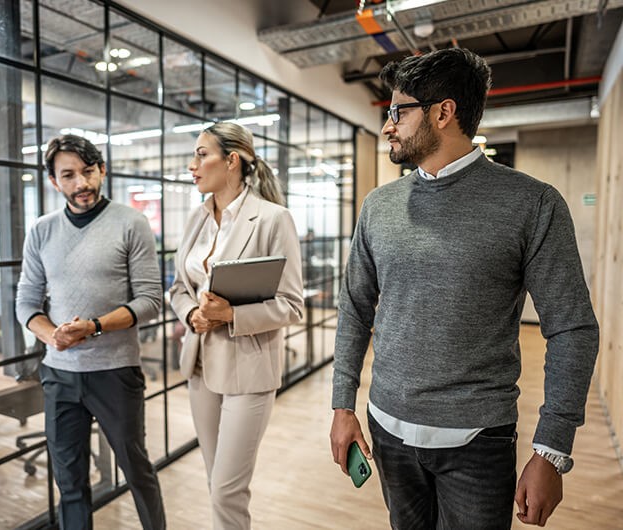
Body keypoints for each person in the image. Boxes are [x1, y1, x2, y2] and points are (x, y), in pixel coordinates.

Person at [329, 48, 599, 529]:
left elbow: (572, 328)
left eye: (398, 111)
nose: (388, 125)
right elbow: (354, 308)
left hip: (478, 441)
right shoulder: (378, 206)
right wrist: (342, 405)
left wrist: (551, 449)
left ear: (443, 112)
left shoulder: (532, 204)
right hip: (386, 431)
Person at [16, 134, 165, 530]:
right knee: (70, 483)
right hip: (60, 375)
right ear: (54, 181)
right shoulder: (41, 231)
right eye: (69, 175)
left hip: (115, 371)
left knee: (137, 470)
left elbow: (150, 300)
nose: (81, 183)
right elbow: (26, 303)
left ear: (102, 170)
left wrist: (94, 327)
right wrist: (53, 335)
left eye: (87, 172)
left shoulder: (131, 223)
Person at [169, 122, 304, 529]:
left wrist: (231, 316)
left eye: (201, 154)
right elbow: (178, 288)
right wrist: (191, 313)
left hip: (248, 370)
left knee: (228, 488)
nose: (192, 165)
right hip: (198, 368)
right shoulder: (196, 219)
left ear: (231, 160)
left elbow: (292, 306)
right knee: (216, 483)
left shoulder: (272, 219)